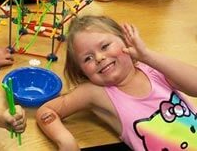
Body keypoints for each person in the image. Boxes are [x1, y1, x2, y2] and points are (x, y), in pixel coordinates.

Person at [36, 15, 197, 150]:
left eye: (105, 46)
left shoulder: (152, 68)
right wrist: (65, 140)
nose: (99, 58)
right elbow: (46, 111)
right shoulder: (96, 92)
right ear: (81, 71)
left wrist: (147, 55)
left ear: (124, 40)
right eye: (87, 58)